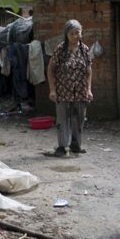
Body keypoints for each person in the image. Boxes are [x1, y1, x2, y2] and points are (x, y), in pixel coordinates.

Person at [47, 19, 93, 157]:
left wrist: (89, 89)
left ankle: (76, 146)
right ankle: (62, 146)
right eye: (72, 33)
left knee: (79, 119)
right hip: (62, 90)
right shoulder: (60, 50)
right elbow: (50, 69)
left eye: (78, 33)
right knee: (63, 119)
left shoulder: (84, 50)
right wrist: (52, 90)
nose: (75, 36)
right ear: (66, 34)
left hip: (80, 90)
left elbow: (89, 71)